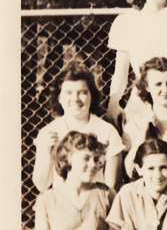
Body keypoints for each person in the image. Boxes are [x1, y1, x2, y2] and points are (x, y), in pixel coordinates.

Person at [33, 62, 123, 193]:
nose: (75, 99)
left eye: (83, 92)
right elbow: (41, 185)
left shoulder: (107, 131)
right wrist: (47, 151)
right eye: (69, 93)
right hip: (62, 206)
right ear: (59, 98)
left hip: (97, 206)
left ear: (91, 97)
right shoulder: (48, 132)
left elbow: (112, 186)